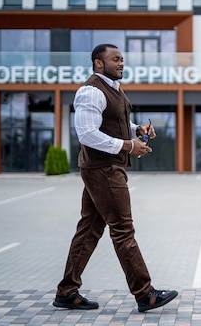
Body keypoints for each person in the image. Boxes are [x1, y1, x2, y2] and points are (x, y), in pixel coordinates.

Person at [53, 43, 178, 313]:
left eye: (122, 59)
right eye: (115, 59)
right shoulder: (91, 91)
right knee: (123, 229)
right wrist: (128, 145)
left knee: (89, 230)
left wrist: (137, 129)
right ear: (99, 63)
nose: (121, 63)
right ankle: (145, 294)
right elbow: (86, 133)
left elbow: (115, 122)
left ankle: (66, 291)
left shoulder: (113, 90)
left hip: (106, 168)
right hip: (103, 170)